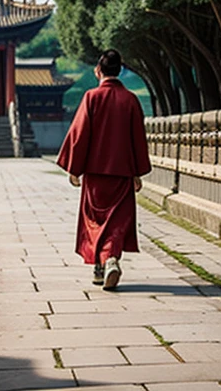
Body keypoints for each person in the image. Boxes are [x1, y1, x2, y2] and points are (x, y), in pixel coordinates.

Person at [57, 49, 151, 290]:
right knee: (116, 222)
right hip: (122, 173)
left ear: (98, 70)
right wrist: (137, 173)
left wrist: (74, 168)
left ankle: (102, 266)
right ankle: (110, 261)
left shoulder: (91, 97)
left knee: (95, 221)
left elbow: (80, 134)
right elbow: (137, 139)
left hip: (95, 175)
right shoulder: (130, 100)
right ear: (119, 71)